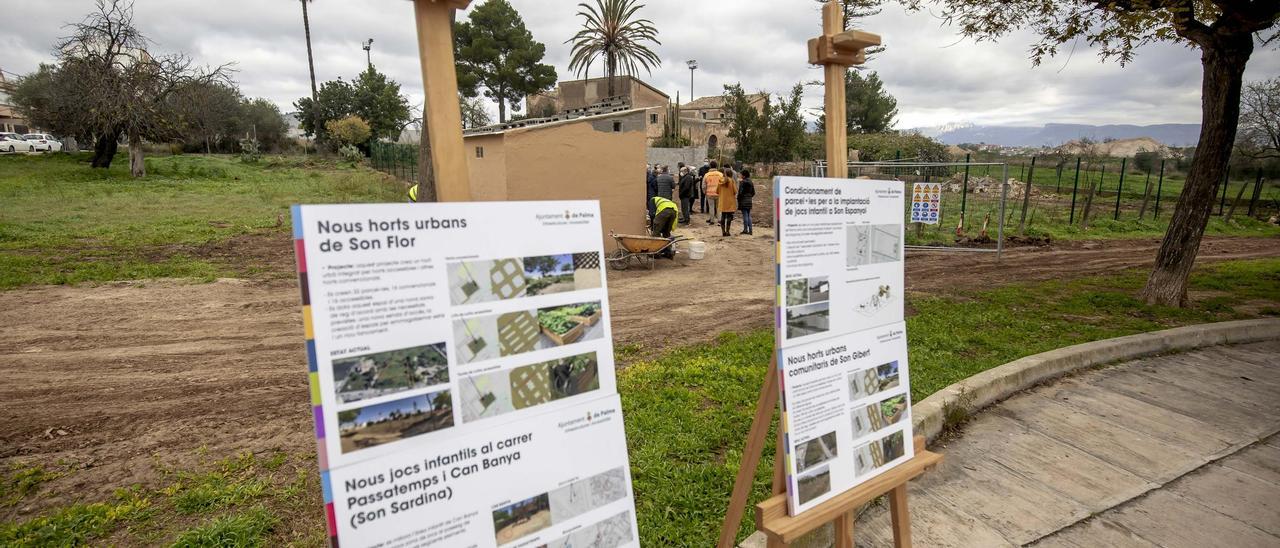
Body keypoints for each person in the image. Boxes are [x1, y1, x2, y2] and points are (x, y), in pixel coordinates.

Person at [717, 167, 739, 236]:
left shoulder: (720, 180)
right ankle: (728, 231)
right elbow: (735, 191)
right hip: (730, 201)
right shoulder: (732, 181)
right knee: (729, 217)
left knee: (723, 216)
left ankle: (723, 231)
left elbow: (717, 191)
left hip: (722, 201)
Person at [737, 168, 755, 235]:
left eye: (741, 174)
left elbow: (740, 193)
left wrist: (739, 199)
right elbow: (753, 192)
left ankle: (745, 230)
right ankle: (750, 230)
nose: (740, 175)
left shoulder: (742, 182)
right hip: (749, 200)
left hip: (743, 200)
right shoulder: (751, 182)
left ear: (744, 176)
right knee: (748, 215)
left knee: (745, 215)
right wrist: (749, 197)